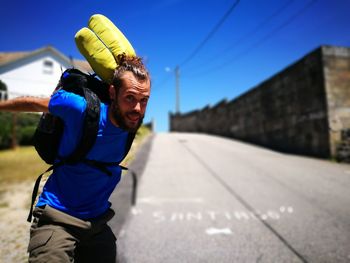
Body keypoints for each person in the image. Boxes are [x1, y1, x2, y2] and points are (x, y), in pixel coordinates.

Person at [0, 54, 151, 262]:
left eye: (144, 101)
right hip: (57, 217)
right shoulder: (79, 109)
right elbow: (33, 103)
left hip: (97, 222)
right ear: (113, 93)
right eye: (130, 98)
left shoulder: (131, 122)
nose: (137, 109)